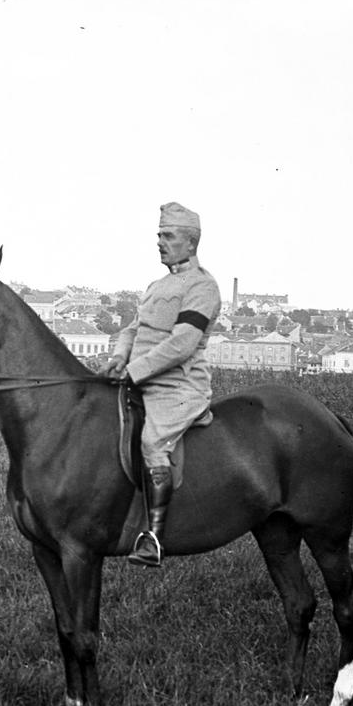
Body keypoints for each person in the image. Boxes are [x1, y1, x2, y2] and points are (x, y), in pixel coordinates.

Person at [105, 201, 223, 567]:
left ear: (191, 243)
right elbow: (133, 329)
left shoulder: (203, 286)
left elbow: (183, 343)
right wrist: (119, 357)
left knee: (153, 442)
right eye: (159, 235)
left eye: (168, 235)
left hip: (178, 387)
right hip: (141, 377)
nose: (160, 242)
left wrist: (135, 370)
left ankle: (152, 538)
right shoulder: (158, 285)